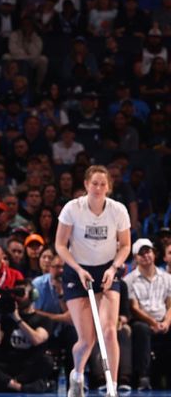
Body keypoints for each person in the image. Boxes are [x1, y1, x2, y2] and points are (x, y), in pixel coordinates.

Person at [55, 165, 131, 396]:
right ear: (86, 185)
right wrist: (77, 268)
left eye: (103, 184)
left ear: (109, 187)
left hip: (107, 270)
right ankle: (77, 375)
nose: (98, 188)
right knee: (87, 339)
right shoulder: (73, 209)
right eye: (94, 183)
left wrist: (114, 268)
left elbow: (126, 245)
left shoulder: (118, 210)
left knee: (109, 331)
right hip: (77, 272)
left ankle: (112, 387)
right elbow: (60, 245)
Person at [0, 278, 54, 392]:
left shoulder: (44, 319)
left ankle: (5, 384)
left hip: (28, 366)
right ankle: (19, 387)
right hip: (7, 365)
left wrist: (17, 319)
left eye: (21, 293)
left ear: (32, 295)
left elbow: (37, 339)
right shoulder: (6, 318)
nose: (17, 298)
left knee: (47, 361)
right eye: (15, 293)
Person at [123, 238, 171, 391]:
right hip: (142, 320)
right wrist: (153, 323)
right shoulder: (128, 280)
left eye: (148, 251)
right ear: (135, 258)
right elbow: (135, 309)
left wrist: (166, 322)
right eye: (141, 253)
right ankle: (144, 376)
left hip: (163, 319)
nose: (145, 256)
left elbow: (170, 304)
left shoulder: (167, 278)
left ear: (154, 254)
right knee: (141, 329)